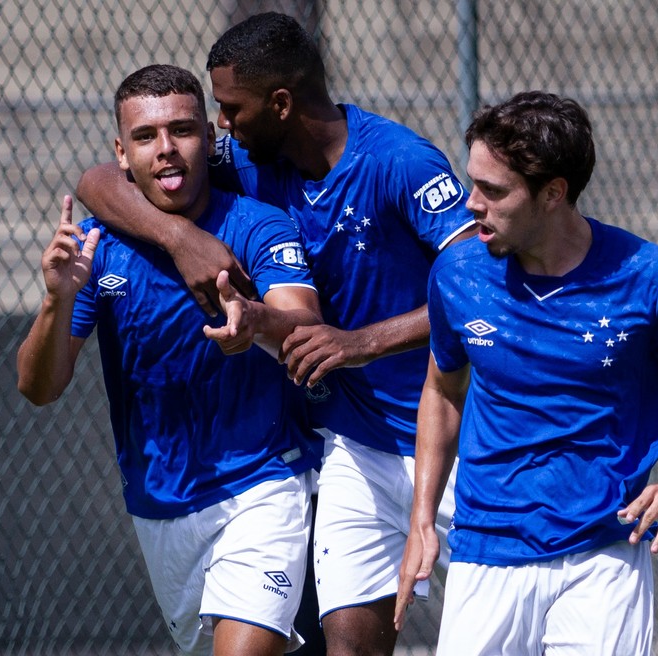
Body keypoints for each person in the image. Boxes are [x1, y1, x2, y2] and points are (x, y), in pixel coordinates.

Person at [76, 12, 476, 655]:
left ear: (281, 104)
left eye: (231, 109)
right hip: (352, 443)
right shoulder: (253, 162)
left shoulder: (402, 163)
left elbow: (483, 290)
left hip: (450, 431)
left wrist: (358, 342)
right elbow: (98, 181)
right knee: (347, 646)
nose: (221, 126)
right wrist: (182, 239)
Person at [395, 90, 658, 654]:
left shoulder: (653, 278)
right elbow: (442, 392)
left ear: (553, 194)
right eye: (473, 183)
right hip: (484, 549)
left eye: (493, 191)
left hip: (603, 555)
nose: (472, 204)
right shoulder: (456, 274)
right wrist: (423, 519)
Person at [17, 64, 325, 656]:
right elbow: (38, 387)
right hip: (159, 503)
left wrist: (255, 322)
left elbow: (306, 325)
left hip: (263, 483)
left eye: (182, 131)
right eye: (145, 137)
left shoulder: (257, 225)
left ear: (210, 138)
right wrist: (58, 300)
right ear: (121, 151)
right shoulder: (94, 248)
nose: (167, 151)